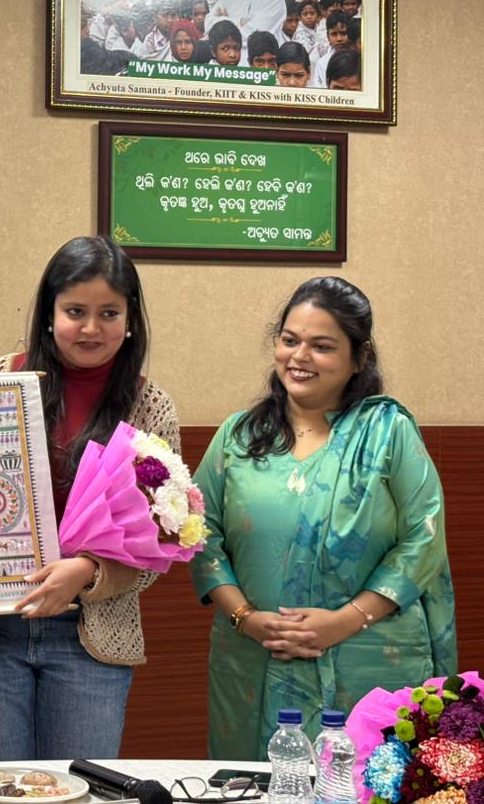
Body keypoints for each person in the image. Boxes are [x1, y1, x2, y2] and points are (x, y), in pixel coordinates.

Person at [0, 236, 180, 762]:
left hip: (91, 635)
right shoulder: (1, 378)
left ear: (130, 320)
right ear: (49, 315)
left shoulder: (150, 406)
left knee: (82, 790)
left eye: (108, 313)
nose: (91, 328)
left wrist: (88, 572)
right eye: (75, 312)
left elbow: (162, 540)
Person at [188, 277, 456, 760]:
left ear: (359, 358)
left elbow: (424, 539)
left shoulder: (387, 432)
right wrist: (245, 618)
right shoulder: (239, 436)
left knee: (363, 783)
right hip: (253, 659)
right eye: (290, 340)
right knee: (255, 784)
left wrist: (343, 621)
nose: (300, 356)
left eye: (322, 346)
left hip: (366, 663)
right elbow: (199, 531)